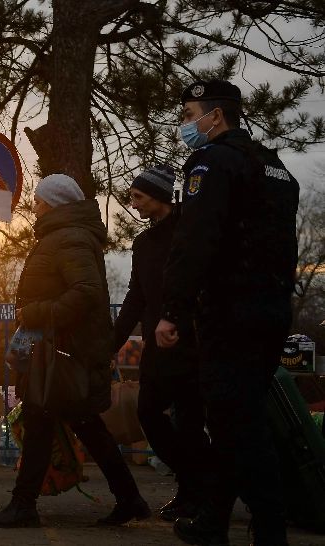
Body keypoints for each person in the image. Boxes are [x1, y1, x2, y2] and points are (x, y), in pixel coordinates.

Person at [156, 80, 298, 546]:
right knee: (239, 418)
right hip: (271, 309)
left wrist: (174, 308)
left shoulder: (211, 163)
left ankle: (271, 528)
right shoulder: (275, 168)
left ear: (215, 117)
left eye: (189, 113)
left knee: (238, 423)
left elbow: (196, 240)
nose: (185, 124)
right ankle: (213, 521)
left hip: (230, 312)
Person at [0, 174, 150, 529]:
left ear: (55, 204)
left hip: (63, 354)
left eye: (39, 201)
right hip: (63, 352)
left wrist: (36, 312)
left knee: (45, 420)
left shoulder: (69, 237)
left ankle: (24, 504)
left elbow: (86, 291)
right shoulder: (65, 236)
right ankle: (129, 498)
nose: (34, 206)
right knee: (84, 426)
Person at [113, 165, 209, 522]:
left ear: (159, 196)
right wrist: (113, 341)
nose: (133, 204)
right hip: (157, 344)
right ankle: (198, 482)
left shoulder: (188, 233)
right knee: (148, 412)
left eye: (139, 196)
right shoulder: (144, 242)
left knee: (189, 420)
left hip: (190, 343)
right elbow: (135, 296)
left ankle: (192, 493)